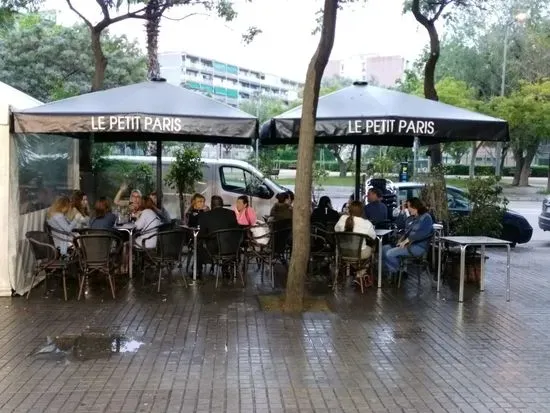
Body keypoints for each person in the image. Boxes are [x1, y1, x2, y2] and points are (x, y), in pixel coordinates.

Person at [382, 197, 434, 276]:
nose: (408, 208)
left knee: (389, 253)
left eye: (408, 206)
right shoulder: (413, 218)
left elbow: (422, 233)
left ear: (415, 207)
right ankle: (397, 271)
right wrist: (402, 211)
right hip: (408, 245)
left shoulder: (426, 217)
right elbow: (400, 225)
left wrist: (407, 240)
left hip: (418, 247)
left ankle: (397, 271)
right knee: (384, 248)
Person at [197, 196, 240, 279]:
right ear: (222, 204)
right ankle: (225, 269)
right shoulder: (231, 213)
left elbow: (201, 233)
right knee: (226, 241)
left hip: (214, 248)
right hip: (231, 248)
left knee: (199, 244)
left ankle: (198, 271)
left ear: (212, 205)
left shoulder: (205, 215)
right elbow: (236, 230)